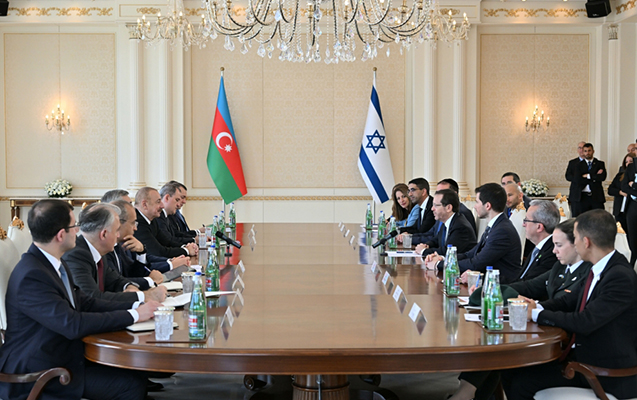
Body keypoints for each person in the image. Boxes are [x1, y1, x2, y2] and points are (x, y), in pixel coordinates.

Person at [0, 199, 159, 400]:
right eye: (74, 226)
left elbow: (85, 302)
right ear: (60, 235)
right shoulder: (32, 275)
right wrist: (133, 315)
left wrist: (137, 305)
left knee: (135, 370)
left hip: (61, 354)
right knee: (130, 385)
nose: (78, 230)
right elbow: (72, 324)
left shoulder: (51, 262)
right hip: (40, 371)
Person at [502, 210, 637, 400]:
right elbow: (568, 300)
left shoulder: (619, 276)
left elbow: (585, 321)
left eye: (575, 237)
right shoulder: (601, 267)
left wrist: (536, 314)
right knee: (510, 368)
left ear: (586, 242)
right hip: (584, 359)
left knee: (521, 383)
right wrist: (536, 306)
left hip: (605, 372)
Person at [453, 219, 593, 400]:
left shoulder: (588, 273)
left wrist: (535, 307)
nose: (554, 251)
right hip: (542, 326)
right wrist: (489, 288)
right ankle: (470, 393)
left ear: (577, 245)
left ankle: (465, 393)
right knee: (493, 342)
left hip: (561, 340)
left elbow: (566, 305)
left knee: (500, 349)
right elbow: (530, 286)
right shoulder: (560, 266)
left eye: (558, 245)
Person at [63, 203, 167, 303]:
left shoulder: (97, 251)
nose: (118, 236)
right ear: (104, 234)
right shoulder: (76, 255)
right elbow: (91, 298)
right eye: (116, 230)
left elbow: (115, 280)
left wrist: (129, 286)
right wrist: (145, 296)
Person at [424, 183, 522, 283]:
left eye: (477, 202)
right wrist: (444, 259)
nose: (474, 206)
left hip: (500, 285)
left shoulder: (502, 231)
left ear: (487, 206)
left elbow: (476, 263)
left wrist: (438, 264)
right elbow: (470, 254)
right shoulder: (496, 225)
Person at [105, 200, 165, 289]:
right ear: (118, 223)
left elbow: (131, 273)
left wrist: (141, 252)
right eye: (133, 223)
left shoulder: (119, 245)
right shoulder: (104, 248)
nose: (135, 228)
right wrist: (150, 280)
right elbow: (115, 283)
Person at [134, 187, 198, 259]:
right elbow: (158, 252)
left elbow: (166, 241)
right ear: (145, 204)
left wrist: (185, 247)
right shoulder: (137, 223)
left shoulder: (152, 220)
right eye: (158, 202)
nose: (162, 206)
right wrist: (187, 250)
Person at [414, 189, 476, 256]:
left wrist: (424, 251)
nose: (432, 208)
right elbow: (436, 240)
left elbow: (448, 251)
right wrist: (427, 245)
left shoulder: (460, 226)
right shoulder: (447, 222)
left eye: (436, 205)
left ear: (448, 208)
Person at [515, 200, 559, 281]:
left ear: (539, 227)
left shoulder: (552, 253)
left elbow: (531, 283)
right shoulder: (538, 248)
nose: (523, 224)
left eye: (526, 220)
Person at [566, 142, 607, 217]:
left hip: (596, 196)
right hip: (582, 197)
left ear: (593, 151)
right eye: (585, 151)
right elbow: (577, 179)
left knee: (598, 218)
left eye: (589, 151)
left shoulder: (600, 164)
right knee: (581, 219)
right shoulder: (578, 165)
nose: (587, 153)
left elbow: (602, 177)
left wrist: (588, 176)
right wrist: (594, 177)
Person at [608, 153, 633, 237]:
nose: (628, 163)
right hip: (619, 211)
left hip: (631, 210)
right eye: (626, 162)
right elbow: (610, 190)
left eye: (631, 161)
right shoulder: (620, 175)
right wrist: (620, 192)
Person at [621, 155, 637, 266]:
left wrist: (634, 185)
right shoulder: (632, 166)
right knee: (632, 237)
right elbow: (624, 186)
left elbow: (631, 185)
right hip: (633, 206)